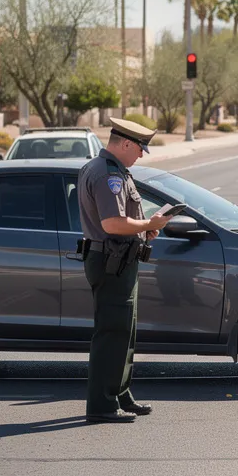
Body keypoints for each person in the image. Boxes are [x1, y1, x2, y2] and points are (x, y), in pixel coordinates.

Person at [77, 117, 171, 423]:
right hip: (111, 262)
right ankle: (102, 406)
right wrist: (149, 225)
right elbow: (111, 224)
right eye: (140, 148)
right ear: (126, 143)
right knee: (111, 333)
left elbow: (122, 223)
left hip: (118, 259)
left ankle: (119, 394)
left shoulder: (106, 169)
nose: (141, 155)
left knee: (124, 333)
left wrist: (145, 231)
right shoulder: (107, 175)